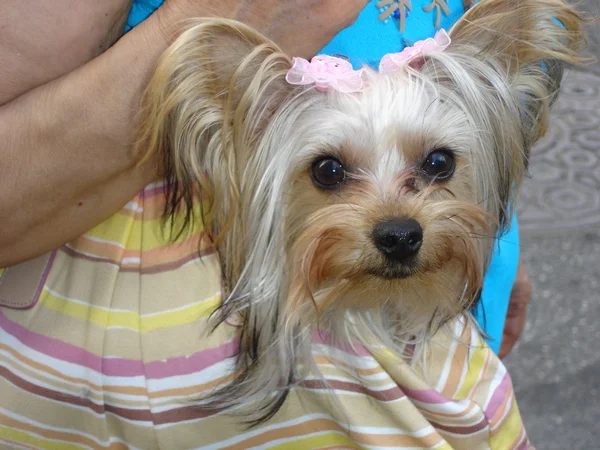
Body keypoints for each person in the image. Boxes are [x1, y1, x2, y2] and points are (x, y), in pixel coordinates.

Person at [0, 0, 532, 448]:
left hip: (445, 329)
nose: (398, 223)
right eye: (330, 172)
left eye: (436, 166)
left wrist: (501, 251)